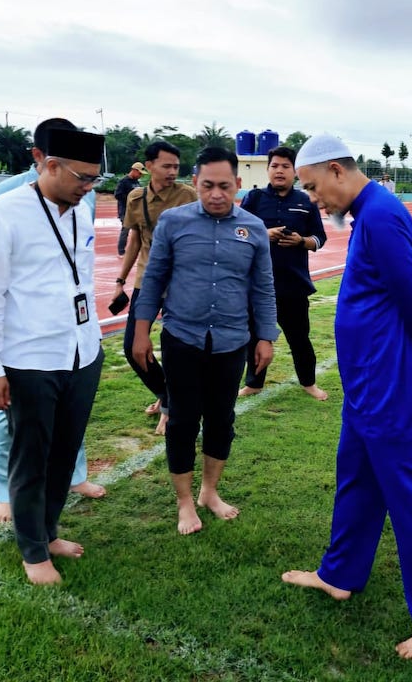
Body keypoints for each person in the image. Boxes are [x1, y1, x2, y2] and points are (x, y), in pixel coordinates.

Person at [281, 134, 412, 665]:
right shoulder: (370, 213)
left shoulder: (382, 214)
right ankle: (340, 574)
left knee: (407, 501)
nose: (315, 200)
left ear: (338, 170)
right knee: (357, 478)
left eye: (316, 187)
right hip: (367, 381)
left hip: (385, 382)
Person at [0, 120, 105, 585]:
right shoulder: (3, 213)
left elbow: (80, 279)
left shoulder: (83, 211)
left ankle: (47, 532)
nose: (88, 188)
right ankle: (32, 552)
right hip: (28, 359)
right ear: (45, 162)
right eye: (80, 178)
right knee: (31, 457)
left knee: (64, 455)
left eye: (94, 179)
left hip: (82, 353)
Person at [132, 146, 277, 535]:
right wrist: (142, 332)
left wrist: (266, 337)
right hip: (182, 338)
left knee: (221, 418)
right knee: (181, 419)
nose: (216, 194)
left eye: (225, 186)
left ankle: (209, 492)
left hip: (232, 340)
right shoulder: (173, 223)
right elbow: (154, 280)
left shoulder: (254, 228)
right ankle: (184, 502)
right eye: (208, 185)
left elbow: (263, 288)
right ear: (195, 183)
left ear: (239, 185)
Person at [111, 141, 197, 435]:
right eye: (167, 166)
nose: (173, 171)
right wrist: (120, 281)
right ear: (149, 167)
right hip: (146, 281)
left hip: (181, 284)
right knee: (132, 347)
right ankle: (166, 395)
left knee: (175, 349)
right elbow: (135, 238)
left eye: (176, 166)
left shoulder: (188, 196)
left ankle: (172, 406)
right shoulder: (136, 198)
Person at [238, 145, 328, 400]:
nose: (279, 171)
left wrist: (302, 241)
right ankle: (254, 383)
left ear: (295, 172)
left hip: (294, 285)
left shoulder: (305, 201)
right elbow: (236, 233)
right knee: (254, 338)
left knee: (300, 339)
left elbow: (320, 238)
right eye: (275, 166)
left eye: (285, 166)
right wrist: (263, 234)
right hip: (257, 286)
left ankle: (308, 382)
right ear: (268, 169)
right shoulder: (253, 199)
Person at [114, 161, 144, 256]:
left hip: (136, 211)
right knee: (125, 230)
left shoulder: (137, 182)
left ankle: (141, 249)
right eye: (139, 173)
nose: (140, 176)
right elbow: (117, 195)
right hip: (125, 210)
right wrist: (130, 198)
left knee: (141, 230)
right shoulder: (123, 181)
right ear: (134, 171)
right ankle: (121, 251)